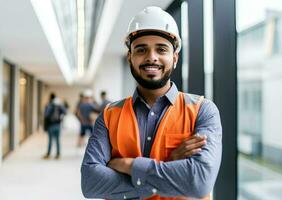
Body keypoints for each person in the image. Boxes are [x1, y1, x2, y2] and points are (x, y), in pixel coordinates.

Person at [81, 6, 222, 200]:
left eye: (161, 49)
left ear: (174, 58)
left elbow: (198, 182)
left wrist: (128, 165)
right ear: (130, 57)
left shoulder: (202, 110)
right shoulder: (109, 115)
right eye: (141, 49)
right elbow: (90, 183)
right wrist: (169, 164)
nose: (151, 57)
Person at [43, 93, 67, 160]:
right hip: (58, 125)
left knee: (50, 140)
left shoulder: (49, 105)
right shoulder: (59, 105)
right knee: (57, 140)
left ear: (50, 98)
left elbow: (46, 115)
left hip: (51, 125)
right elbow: (65, 112)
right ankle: (58, 154)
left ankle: (48, 154)